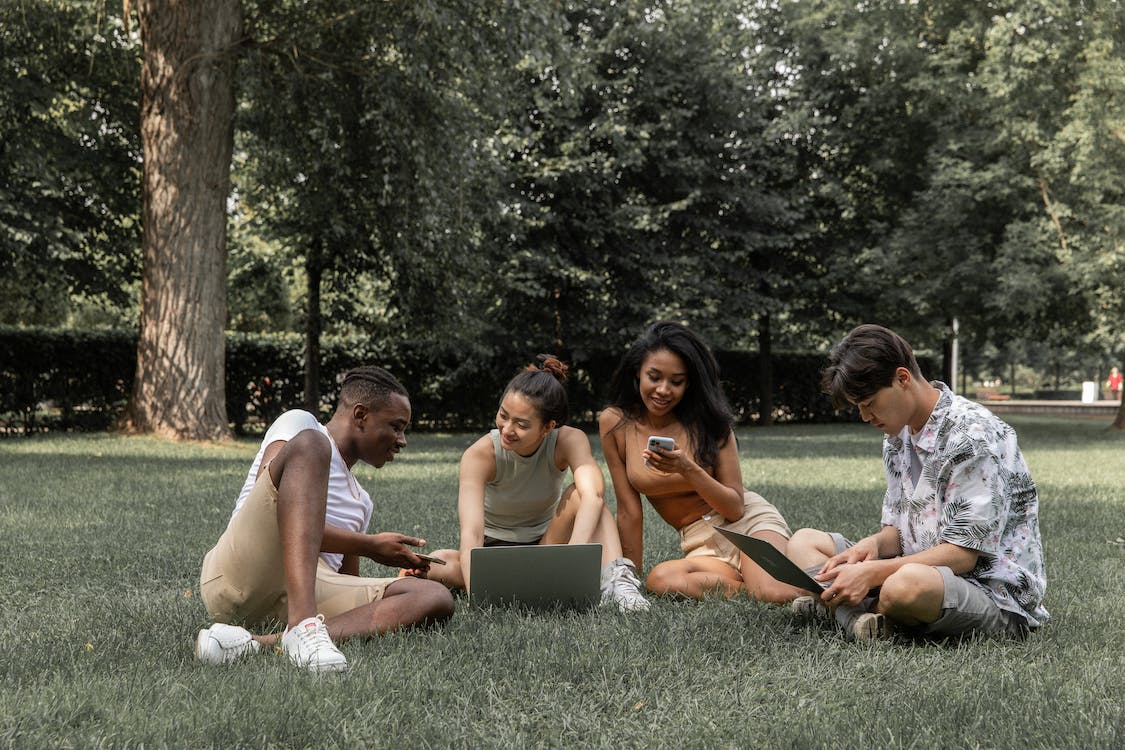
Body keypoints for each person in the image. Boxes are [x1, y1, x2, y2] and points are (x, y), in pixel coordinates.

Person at [786, 324, 1048, 640]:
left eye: (869, 404)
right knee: (803, 542)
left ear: (902, 378)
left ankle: (842, 608)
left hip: (988, 590)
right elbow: (896, 530)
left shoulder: (972, 437)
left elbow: (962, 555)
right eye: (859, 408)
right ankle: (859, 616)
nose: (865, 417)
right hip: (910, 565)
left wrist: (872, 573)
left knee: (905, 586)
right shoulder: (896, 435)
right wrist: (871, 546)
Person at [194, 366, 455, 672]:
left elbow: (349, 584)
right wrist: (369, 546)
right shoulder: (302, 427)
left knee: (435, 596)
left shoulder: (361, 502)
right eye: (396, 427)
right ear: (360, 415)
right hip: (242, 571)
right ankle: (304, 625)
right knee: (312, 445)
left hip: (299, 596)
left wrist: (387, 574)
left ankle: (255, 643)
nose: (402, 440)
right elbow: (267, 499)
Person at [417, 355, 650, 612]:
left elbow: (593, 495)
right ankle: (536, 583)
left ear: (548, 427)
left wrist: (573, 561)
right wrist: (478, 596)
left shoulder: (568, 440)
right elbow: (471, 532)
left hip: (547, 547)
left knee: (584, 497)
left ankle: (619, 585)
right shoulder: (480, 454)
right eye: (503, 415)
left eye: (521, 424)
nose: (507, 429)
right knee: (437, 562)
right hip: (494, 552)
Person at [599, 321, 801, 602]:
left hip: (748, 526)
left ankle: (846, 595)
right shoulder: (614, 424)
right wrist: (632, 580)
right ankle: (755, 587)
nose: (663, 390)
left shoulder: (711, 425)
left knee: (772, 591)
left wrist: (688, 469)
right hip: (700, 545)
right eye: (654, 377)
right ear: (637, 373)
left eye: (676, 381)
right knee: (662, 580)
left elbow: (734, 508)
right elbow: (629, 511)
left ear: (689, 383)